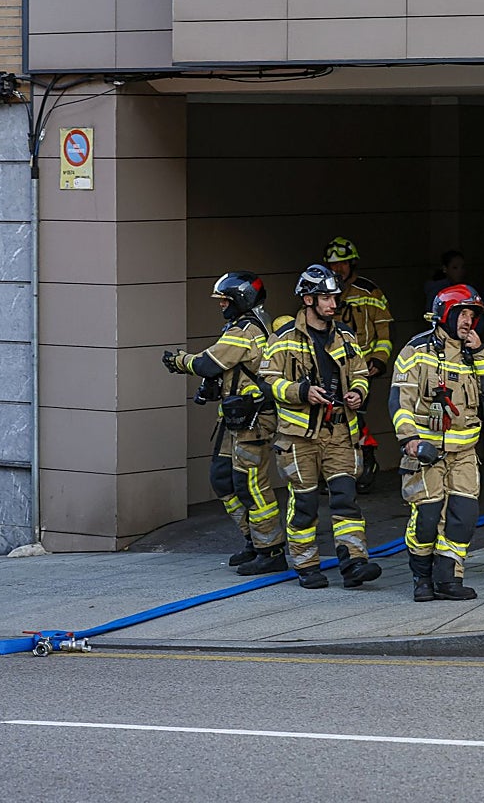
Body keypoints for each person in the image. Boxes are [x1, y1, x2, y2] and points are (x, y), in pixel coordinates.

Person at [260, 264, 383, 590]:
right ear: (308, 299)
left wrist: (358, 392)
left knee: (346, 498)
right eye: (326, 298)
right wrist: (302, 392)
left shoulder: (344, 335)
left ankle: (354, 563)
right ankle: (306, 565)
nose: (333, 303)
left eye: (334, 297)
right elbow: (269, 381)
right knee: (305, 504)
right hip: (299, 440)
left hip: (340, 433)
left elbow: (359, 372)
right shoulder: (284, 339)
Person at [390, 284, 484, 602]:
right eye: (463, 313)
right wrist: (412, 442)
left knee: (463, 515)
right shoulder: (415, 351)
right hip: (425, 454)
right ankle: (422, 576)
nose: (468, 320)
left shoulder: (474, 352)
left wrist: (482, 350)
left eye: (473, 315)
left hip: (464, 453)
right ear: (445, 312)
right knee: (428, 518)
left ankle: (449, 579)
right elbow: (399, 403)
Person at [163, 272, 286, 575]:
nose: (221, 305)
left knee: (251, 486)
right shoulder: (243, 326)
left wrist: (178, 360)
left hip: (254, 420)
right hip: (235, 420)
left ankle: (271, 551)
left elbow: (207, 362)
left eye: (225, 300)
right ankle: (253, 541)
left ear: (241, 300)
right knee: (222, 478)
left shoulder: (244, 330)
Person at [325, 236, 394, 492]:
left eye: (342, 264)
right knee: (332, 420)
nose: (337, 269)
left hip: (361, 368)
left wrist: (379, 360)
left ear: (353, 263)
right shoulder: (324, 292)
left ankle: (366, 464)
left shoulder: (369, 292)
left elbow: (384, 333)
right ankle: (338, 472)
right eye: (333, 265)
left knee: (355, 418)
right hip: (331, 368)